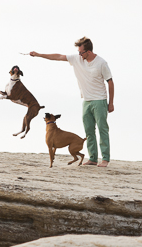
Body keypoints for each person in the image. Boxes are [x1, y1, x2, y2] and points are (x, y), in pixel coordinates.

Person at [30, 37, 114, 167]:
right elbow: (58, 57)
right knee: (89, 131)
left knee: (102, 130)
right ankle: (92, 158)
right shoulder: (77, 59)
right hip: (86, 101)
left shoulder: (101, 63)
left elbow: (110, 81)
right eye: (79, 52)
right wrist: (39, 55)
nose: (79, 55)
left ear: (89, 52)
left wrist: (111, 103)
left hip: (99, 101)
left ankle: (105, 159)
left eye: (81, 52)